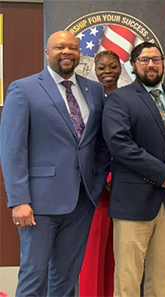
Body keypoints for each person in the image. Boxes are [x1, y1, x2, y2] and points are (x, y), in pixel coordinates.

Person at [0, 30, 110, 297]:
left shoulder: (94, 90)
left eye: (72, 48)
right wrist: (18, 200)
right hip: (38, 204)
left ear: (79, 53)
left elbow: (100, 143)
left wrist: (94, 184)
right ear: (47, 53)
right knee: (33, 276)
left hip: (82, 201)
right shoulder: (23, 89)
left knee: (66, 278)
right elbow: (12, 149)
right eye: (60, 47)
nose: (67, 52)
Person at [102, 42, 165, 297]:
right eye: (144, 60)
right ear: (133, 65)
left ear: (164, 63)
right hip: (133, 203)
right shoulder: (120, 99)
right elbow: (120, 144)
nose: (151, 65)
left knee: (163, 278)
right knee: (128, 277)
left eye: (156, 59)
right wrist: (162, 173)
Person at [78, 50, 121, 297]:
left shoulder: (129, 98)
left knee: (114, 257)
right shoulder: (88, 101)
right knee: (92, 256)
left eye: (113, 67)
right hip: (95, 188)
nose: (107, 72)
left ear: (120, 68)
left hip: (122, 187)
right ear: (95, 70)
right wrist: (103, 178)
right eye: (102, 67)